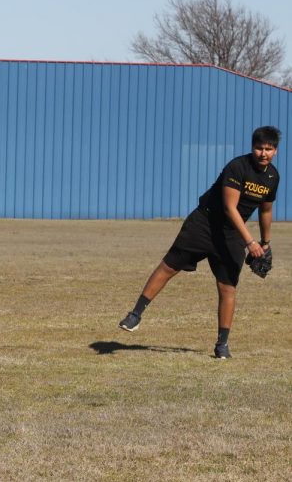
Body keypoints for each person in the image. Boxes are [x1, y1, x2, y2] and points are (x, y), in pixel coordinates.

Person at [118, 126, 281, 359]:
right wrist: (251, 242)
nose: (263, 153)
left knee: (227, 287)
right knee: (169, 266)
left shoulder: (273, 177)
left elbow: (266, 209)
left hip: (232, 234)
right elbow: (229, 207)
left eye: (269, 148)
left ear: (275, 150)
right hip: (205, 223)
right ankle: (135, 314)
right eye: (259, 148)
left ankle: (222, 344)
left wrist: (266, 242)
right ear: (251, 147)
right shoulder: (238, 167)